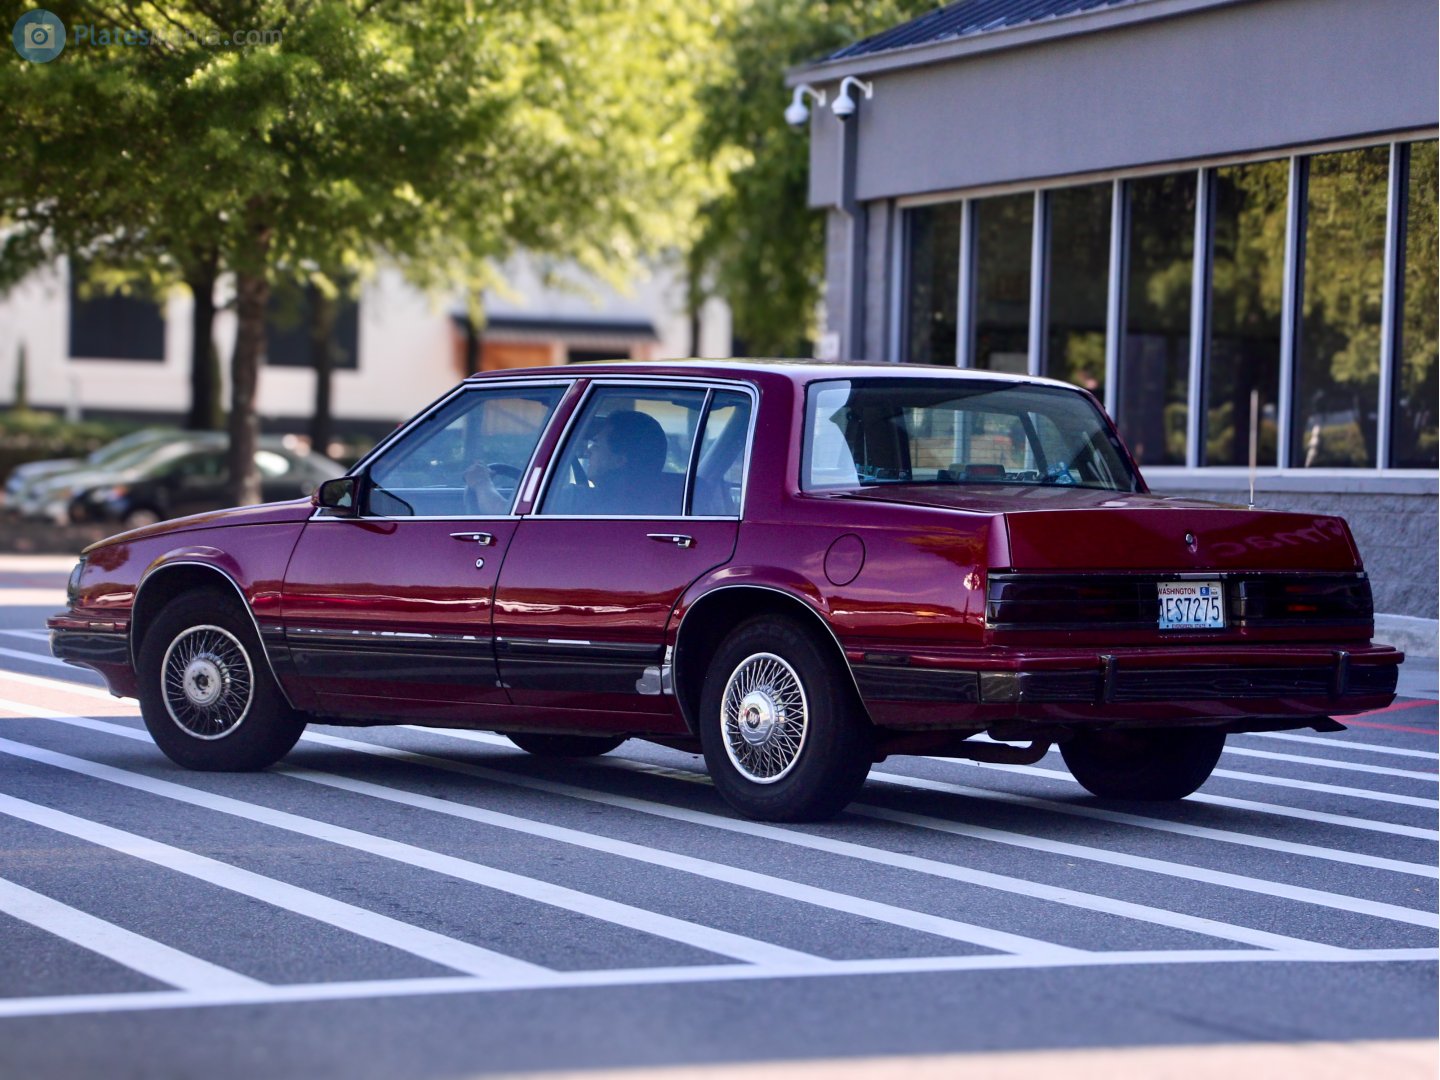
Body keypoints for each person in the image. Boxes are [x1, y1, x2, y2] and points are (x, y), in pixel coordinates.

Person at [549, 409, 677, 516]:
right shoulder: (669, 506)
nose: (588, 452)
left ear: (619, 461)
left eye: (596, 445)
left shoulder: (572, 501)